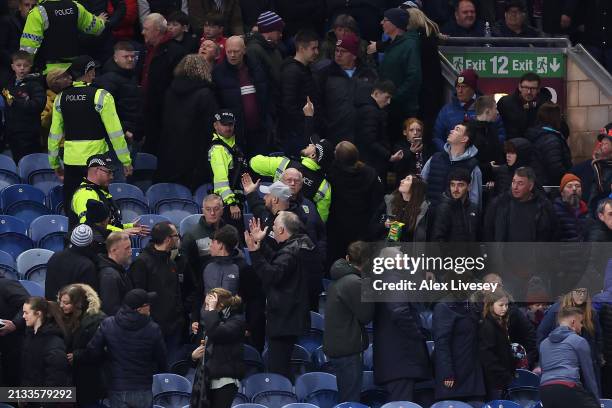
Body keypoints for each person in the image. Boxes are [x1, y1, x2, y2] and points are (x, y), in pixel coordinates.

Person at [48, 55, 132, 211]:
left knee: (73, 207)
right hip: (96, 163)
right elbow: (115, 133)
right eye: (93, 70)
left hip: (71, 161)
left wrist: (54, 163)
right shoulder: (101, 96)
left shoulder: (61, 98)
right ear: (89, 72)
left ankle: (74, 235)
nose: (94, 74)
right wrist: (125, 160)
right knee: (98, 209)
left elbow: (54, 134)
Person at [244, 211, 313, 379]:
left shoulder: (290, 252)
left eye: (274, 226)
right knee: (281, 366)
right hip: (291, 316)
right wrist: (260, 243)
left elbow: (272, 275)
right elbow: (279, 260)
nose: (272, 228)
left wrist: (254, 253)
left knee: (277, 371)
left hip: (283, 318)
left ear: (281, 230)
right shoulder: (299, 245)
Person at [85, 289, 167, 408]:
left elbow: (92, 351)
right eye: (147, 304)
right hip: (142, 387)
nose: (150, 307)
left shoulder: (108, 324)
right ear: (139, 309)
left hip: (117, 387)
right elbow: (161, 359)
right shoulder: (153, 329)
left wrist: (108, 359)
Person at [155, 54, 218, 188]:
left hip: (170, 149)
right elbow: (210, 127)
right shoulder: (205, 94)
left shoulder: (170, 91)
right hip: (195, 153)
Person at [323, 241, 374, 403]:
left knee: (346, 396)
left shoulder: (340, 277)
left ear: (347, 258)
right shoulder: (355, 282)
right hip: (348, 349)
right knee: (350, 400)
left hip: (338, 346)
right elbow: (366, 316)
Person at [130, 221, 187, 364]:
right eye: (176, 236)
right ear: (168, 240)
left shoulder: (171, 262)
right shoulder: (142, 263)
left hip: (174, 327)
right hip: (153, 328)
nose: (178, 238)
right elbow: (138, 297)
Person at [249, 130, 333, 222]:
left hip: (273, 221)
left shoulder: (284, 164)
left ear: (313, 155)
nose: (309, 144)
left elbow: (254, 163)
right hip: (299, 228)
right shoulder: (324, 186)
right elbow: (320, 220)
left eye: (313, 145)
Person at [537, 288, 603, 397]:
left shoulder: (591, 312)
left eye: (584, 292)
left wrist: (598, 355)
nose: (581, 295)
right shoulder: (556, 310)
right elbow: (542, 335)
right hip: (564, 369)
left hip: (587, 362)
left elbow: (598, 337)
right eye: (578, 291)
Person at [327, 141, 384, 266]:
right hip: (362, 227)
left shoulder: (332, 173)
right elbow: (378, 203)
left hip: (338, 227)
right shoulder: (370, 173)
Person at [317, 32, 379, 145]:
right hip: (334, 135)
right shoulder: (325, 74)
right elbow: (318, 104)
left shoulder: (369, 74)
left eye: (343, 51)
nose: (338, 54)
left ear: (354, 55)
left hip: (363, 137)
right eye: (337, 50)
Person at [212, 35, 270, 156]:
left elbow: (267, 93)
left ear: (244, 50)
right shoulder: (218, 73)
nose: (232, 55)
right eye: (229, 52)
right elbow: (217, 103)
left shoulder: (256, 68)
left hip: (260, 130)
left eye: (236, 51)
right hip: (234, 133)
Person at [190, 288, 246, 408]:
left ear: (219, 305)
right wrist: (193, 357)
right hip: (205, 379)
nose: (205, 309)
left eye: (208, 304)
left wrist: (211, 311)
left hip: (225, 381)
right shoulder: (210, 321)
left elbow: (217, 332)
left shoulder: (237, 321)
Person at [140, 13, 186, 154]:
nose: (143, 32)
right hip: (148, 112)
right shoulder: (147, 50)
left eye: (146, 29)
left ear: (157, 31)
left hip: (166, 116)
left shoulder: (176, 52)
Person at [71, 153, 149, 235]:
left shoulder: (100, 191)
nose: (112, 177)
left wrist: (129, 226)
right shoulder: (85, 194)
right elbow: (89, 226)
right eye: (109, 172)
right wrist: (122, 232)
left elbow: (107, 225)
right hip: (93, 246)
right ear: (97, 171)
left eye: (112, 173)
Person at [19, 0, 105, 72]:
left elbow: (29, 46)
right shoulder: (76, 7)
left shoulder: (38, 12)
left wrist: (23, 68)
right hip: (75, 70)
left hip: (51, 71)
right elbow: (97, 28)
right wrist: (101, 21)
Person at [433, 69, 505, 152]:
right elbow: (437, 137)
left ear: (472, 88)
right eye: (458, 87)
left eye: (463, 87)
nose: (459, 91)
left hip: (481, 159)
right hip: (451, 159)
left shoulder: (487, 106)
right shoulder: (446, 110)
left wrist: (486, 150)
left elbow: (501, 134)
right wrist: (448, 152)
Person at [432, 292, 486, 404]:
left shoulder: (474, 306)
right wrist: (447, 373)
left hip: (474, 376)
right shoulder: (444, 307)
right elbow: (442, 344)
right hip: (453, 378)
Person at [58, 283, 106, 406]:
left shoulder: (96, 320)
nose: (61, 306)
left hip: (89, 378)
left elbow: (101, 349)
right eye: (61, 302)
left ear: (78, 304)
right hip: (71, 377)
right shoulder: (63, 317)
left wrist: (77, 355)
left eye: (66, 303)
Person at [484, 166, 558, 242]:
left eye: (520, 183)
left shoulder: (544, 207)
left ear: (530, 186)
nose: (515, 187)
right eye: (513, 182)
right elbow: (488, 231)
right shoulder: (498, 204)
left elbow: (554, 234)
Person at [379, 8, 421, 135]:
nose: (381, 23)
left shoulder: (409, 45)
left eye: (385, 20)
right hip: (390, 107)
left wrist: (394, 96)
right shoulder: (393, 44)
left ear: (395, 23)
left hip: (403, 109)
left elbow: (414, 77)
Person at [422, 123, 482, 209]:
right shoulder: (435, 158)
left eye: (457, 129)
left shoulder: (472, 166)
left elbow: (475, 200)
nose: (451, 131)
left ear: (464, 139)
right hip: (430, 214)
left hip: (455, 218)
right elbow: (421, 185)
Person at [279, 29, 321, 156]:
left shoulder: (306, 69)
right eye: (313, 48)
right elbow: (288, 105)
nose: (317, 52)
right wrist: (305, 123)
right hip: (296, 133)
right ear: (302, 48)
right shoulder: (291, 72)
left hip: (305, 129)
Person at [94, 41, 143, 145]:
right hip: (117, 137)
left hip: (131, 133)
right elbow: (106, 111)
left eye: (132, 56)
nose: (130, 59)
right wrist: (124, 130)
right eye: (126, 57)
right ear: (115, 58)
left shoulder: (131, 76)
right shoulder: (108, 80)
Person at [355, 79, 403, 181]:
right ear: (376, 93)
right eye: (387, 97)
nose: (389, 102)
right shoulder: (371, 112)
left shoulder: (366, 108)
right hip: (372, 162)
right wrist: (388, 156)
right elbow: (370, 140)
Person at [3, 51, 45, 163]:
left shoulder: (35, 84)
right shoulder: (8, 85)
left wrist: (16, 103)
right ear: (13, 66)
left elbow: (38, 105)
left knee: (29, 166)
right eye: (18, 65)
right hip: (11, 134)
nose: (22, 68)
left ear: (30, 67)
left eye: (25, 66)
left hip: (29, 136)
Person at [20, 297, 70, 388]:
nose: (23, 316)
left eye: (26, 313)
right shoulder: (30, 335)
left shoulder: (54, 343)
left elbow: (56, 381)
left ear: (38, 314)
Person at [208, 110, 247, 224]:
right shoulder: (218, 149)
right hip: (227, 205)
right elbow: (221, 181)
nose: (228, 127)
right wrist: (231, 203)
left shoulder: (235, 146)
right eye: (224, 124)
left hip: (237, 201)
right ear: (215, 125)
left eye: (230, 124)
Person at [369, 174, 430, 242]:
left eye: (407, 179)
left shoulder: (423, 209)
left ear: (416, 187)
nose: (401, 181)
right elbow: (372, 228)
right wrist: (385, 225)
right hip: (384, 248)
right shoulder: (389, 201)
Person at [479, 288, 515, 400]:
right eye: (501, 305)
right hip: (495, 381)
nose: (505, 308)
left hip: (501, 378)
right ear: (491, 305)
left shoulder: (500, 323)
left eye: (506, 305)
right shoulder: (488, 326)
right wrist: (504, 374)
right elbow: (487, 355)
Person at [45, 224, 99, 300]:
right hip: (72, 310)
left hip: (52, 308)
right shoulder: (87, 266)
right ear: (90, 243)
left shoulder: (55, 256)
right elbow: (89, 296)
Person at [245, 11, 284, 113]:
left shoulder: (273, 48)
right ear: (269, 30)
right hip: (267, 108)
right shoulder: (253, 50)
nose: (281, 34)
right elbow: (261, 84)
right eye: (278, 31)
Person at [181, 194, 226, 281]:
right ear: (203, 211)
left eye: (216, 209)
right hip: (203, 283)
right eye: (208, 209)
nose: (212, 213)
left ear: (222, 210)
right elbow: (185, 265)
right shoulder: (191, 235)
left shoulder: (230, 231)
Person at [526, 102, 572, 186]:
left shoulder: (539, 133)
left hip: (541, 181)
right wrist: (568, 178)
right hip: (550, 185)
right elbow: (555, 168)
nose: (561, 118)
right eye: (559, 115)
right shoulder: (551, 139)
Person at [497, 72, 553, 140]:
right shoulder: (505, 103)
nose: (529, 92)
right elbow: (497, 126)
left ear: (538, 89)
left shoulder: (546, 105)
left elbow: (561, 128)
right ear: (520, 87)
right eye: (526, 87)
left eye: (533, 88)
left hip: (538, 145)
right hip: (512, 146)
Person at [431, 168, 480, 242]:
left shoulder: (474, 208)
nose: (455, 189)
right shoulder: (444, 208)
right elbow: (437, 240)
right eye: (452, 185)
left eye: (460, 185)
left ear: (469, 187)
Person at [0, 276, 30, 387]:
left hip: (13, 341)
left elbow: (28, 305)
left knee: (12, 379)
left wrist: (15, 324)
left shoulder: (6, 285)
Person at [467, 95, 504, 183]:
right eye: (495, 109)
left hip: (492, 181)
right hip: (472, 181)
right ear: (487, 111)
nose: (497, 112)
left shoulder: (492, 129)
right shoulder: (468, 131)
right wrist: (487, 166)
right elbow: (465, 159)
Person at [98, 231, 133, 316]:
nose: (131, 251)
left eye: (130, 247)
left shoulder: (118, 270)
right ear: (114, 250)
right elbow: (111, 310)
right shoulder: (110, 276)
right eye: (127, 248)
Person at [553, 173, 589, 242]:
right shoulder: (554, 211)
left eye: (577, 186)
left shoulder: (587, 211)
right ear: (562, 192)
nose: (574, 189)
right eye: (569, 186)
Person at [589, 130, 612, 213]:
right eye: (601, 143)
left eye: (605, 143)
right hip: (600, 210)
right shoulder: (597, 166)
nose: (601, 146)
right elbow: (594, 194)